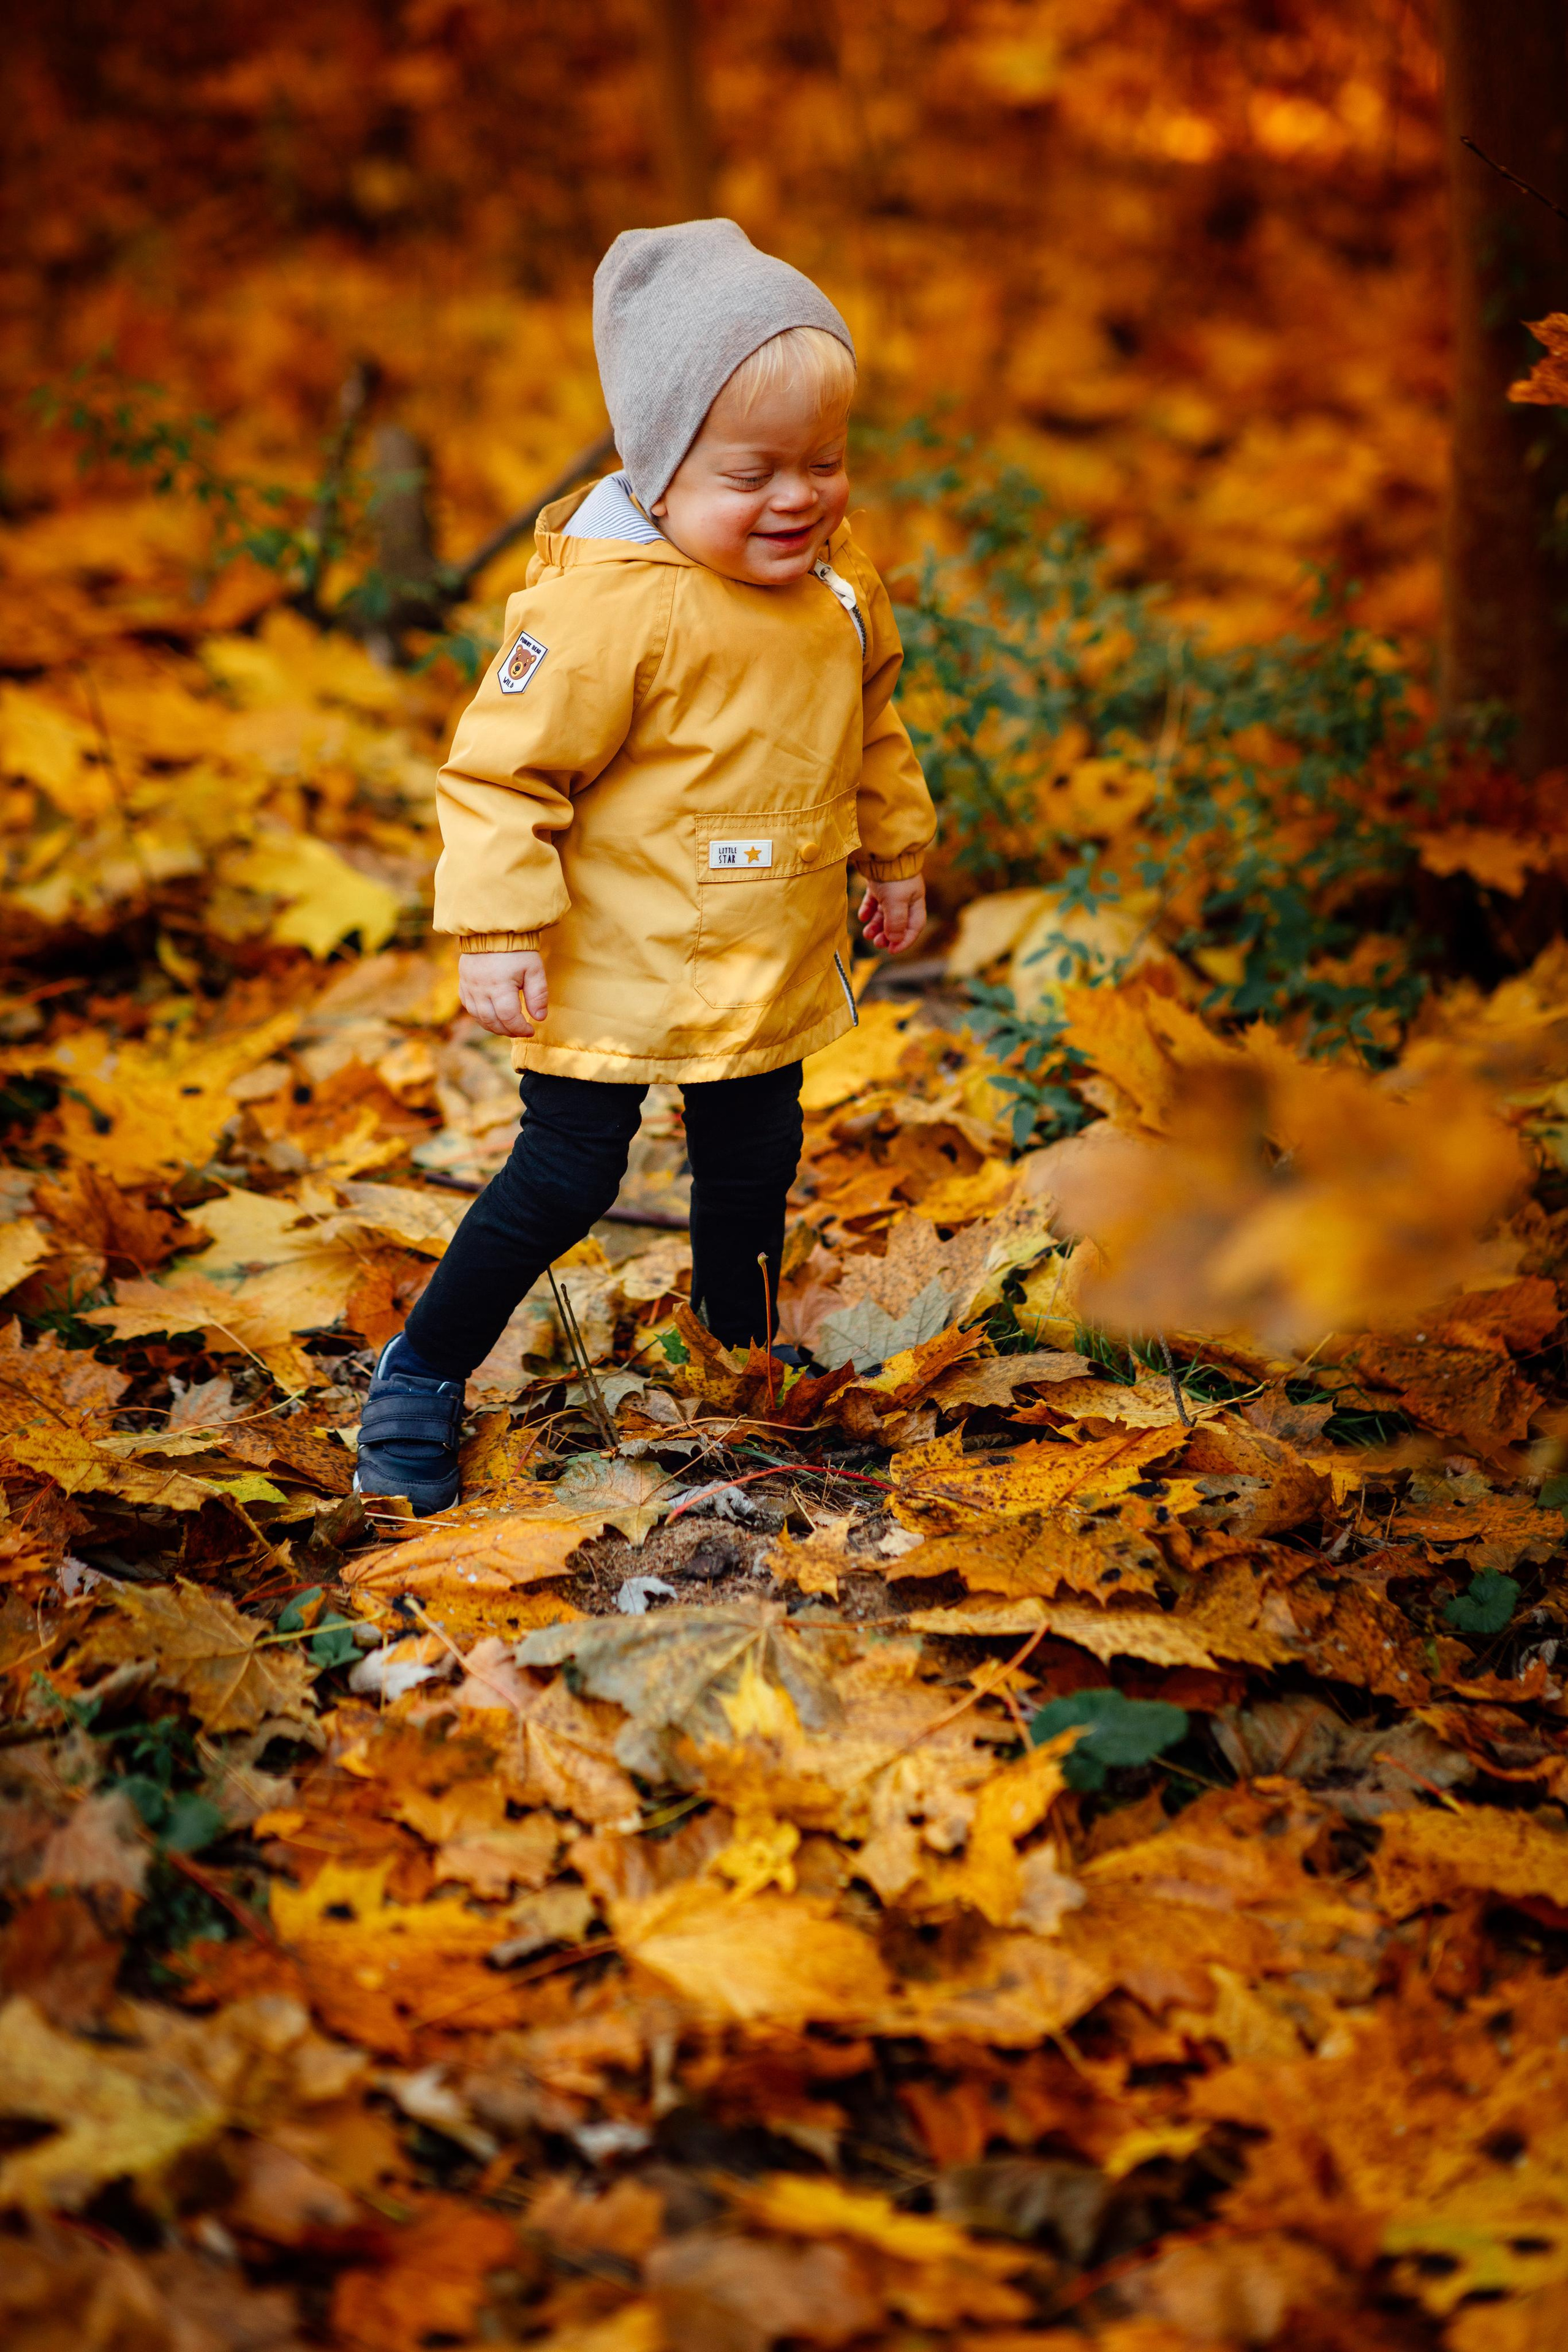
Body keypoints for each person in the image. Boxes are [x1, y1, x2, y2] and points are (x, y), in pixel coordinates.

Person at [355, 218, 935, 1513]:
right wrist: (497, 930)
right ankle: (422, 1368)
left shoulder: (839, 589)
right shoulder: (606, 607)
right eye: (753, 474)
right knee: (565, 1177)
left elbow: (872, 723)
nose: (798, 499)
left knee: (752, 1163)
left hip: (761, 949)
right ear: (657, 470)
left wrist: (894, 854)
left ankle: (739, 1359)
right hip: (607, 960)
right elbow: (500, 772)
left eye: (824, 464)